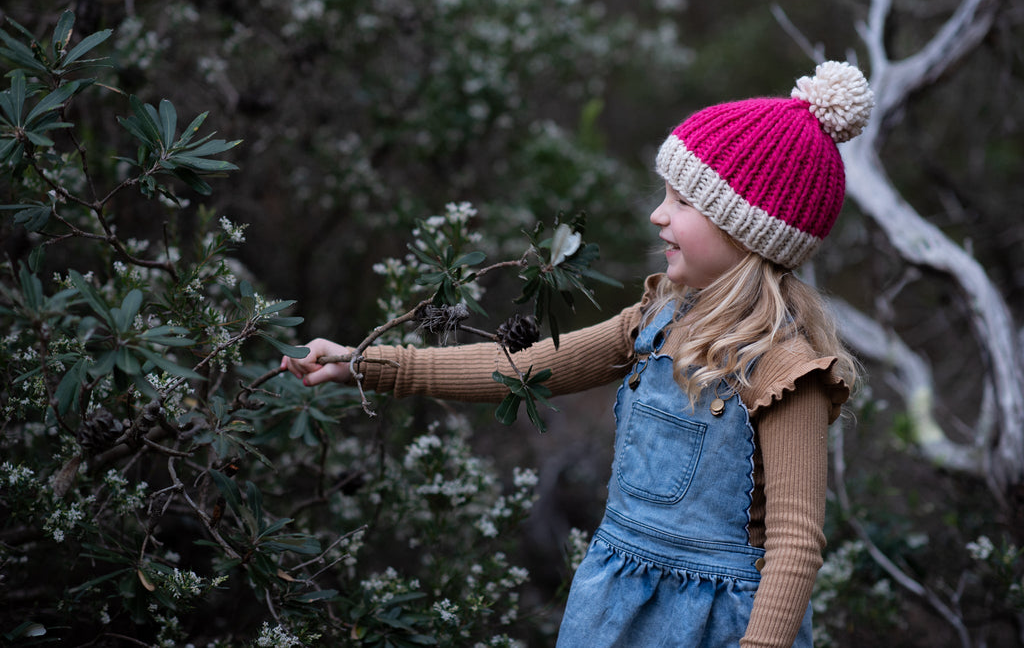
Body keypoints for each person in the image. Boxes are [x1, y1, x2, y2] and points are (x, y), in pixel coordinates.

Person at [281, 60, 874, 647]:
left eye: (684, 201)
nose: (657, 213)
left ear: (748, 231)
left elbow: (796, 544)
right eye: (664, 192)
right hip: (615, 607)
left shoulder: (787, 368)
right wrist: (368, 364)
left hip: (717, 627)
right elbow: (525, 369)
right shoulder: (654, 320)